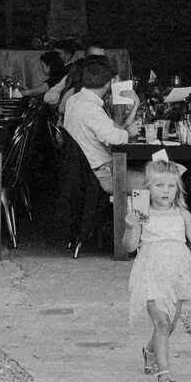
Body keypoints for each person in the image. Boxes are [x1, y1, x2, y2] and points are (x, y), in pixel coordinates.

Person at [123, 150, 191, 382]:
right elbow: (130, 247)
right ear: (147, 187)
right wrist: (131, 227)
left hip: (178, 272)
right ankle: (164, 373)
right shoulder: (142, 212)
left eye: (171, 186)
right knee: (161, 323)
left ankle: (150, 350)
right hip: (151, 272)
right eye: (159, 185)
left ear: (178, 189)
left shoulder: (182, 213)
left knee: (170, 324)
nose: (165, 191)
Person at [56, 56, 131, 249]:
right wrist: (128, 132)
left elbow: (110, 128)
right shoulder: (91, 108)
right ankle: (134, 240)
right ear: (108, 83)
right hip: (100, 173)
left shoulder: (74, 100)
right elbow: (115, 138)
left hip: (82, 171)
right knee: (152, 177)